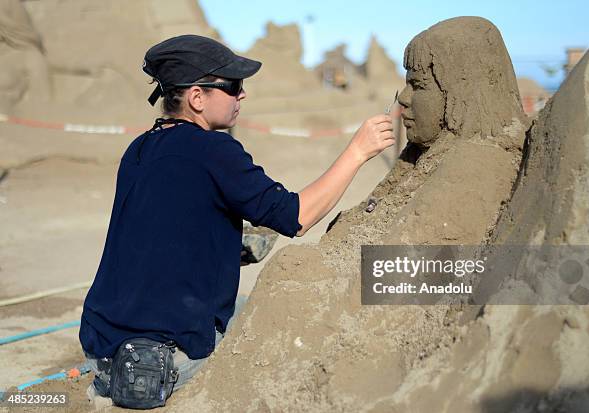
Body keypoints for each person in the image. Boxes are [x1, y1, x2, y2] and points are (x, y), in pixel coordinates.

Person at [79, 34, 394, 405]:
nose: (242, 94)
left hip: (102, 353)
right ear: (197, 98)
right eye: (232, 86)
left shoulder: (140, 148)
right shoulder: (214, 149)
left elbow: (164, 228)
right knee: (283, 317)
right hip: (163, 364)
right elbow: (297, 216)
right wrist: (358, 151)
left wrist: (230, 244)